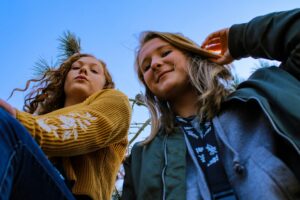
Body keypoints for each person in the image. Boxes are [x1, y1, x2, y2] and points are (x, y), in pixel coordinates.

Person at [121, 8, 300, 200]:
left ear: (192, 56)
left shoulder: (263, 95)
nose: (155, 64)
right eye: (146, 67)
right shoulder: (141, 158)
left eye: (165, 53)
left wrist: (238, 38)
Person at [0, 51, 131, 199]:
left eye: (94, 70)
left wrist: (17, 121)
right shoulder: (40, 118)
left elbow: (84, 125)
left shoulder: (116, 101)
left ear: (105, 85)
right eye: (75, 68)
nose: (83, 70)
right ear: (64, 79)